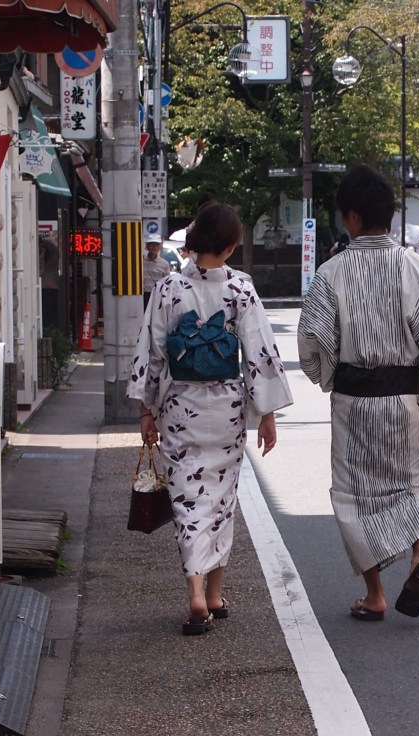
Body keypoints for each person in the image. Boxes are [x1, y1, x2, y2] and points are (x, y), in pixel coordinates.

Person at [297, 165, 419, 622]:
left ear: (353, 217)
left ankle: (375, 594)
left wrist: (327, 374)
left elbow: (313, 342)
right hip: (404, 401)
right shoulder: (417, 268)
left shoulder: (332, 273)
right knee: (409, 485)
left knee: (353, 494)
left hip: (354, 401)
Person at [129, 202, 294, 636]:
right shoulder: (241, 289)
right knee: (221, 498)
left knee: (187, 499)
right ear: (233, 246)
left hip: (179, 407)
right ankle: (214, 593)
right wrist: (267, 415)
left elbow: (152, 352)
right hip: (226, 410)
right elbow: (259, 353)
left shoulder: (168, 288)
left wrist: (146, 410)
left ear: (194, 238)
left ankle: (199, 594)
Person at [142, 232, 171, 309]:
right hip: (143, 295)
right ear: (147, 246)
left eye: (156, 244)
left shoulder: (164, 264)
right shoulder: (141, 262)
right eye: (151, 244)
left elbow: (168, 283)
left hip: (158, 295)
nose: (154, 247)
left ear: (159, 247)